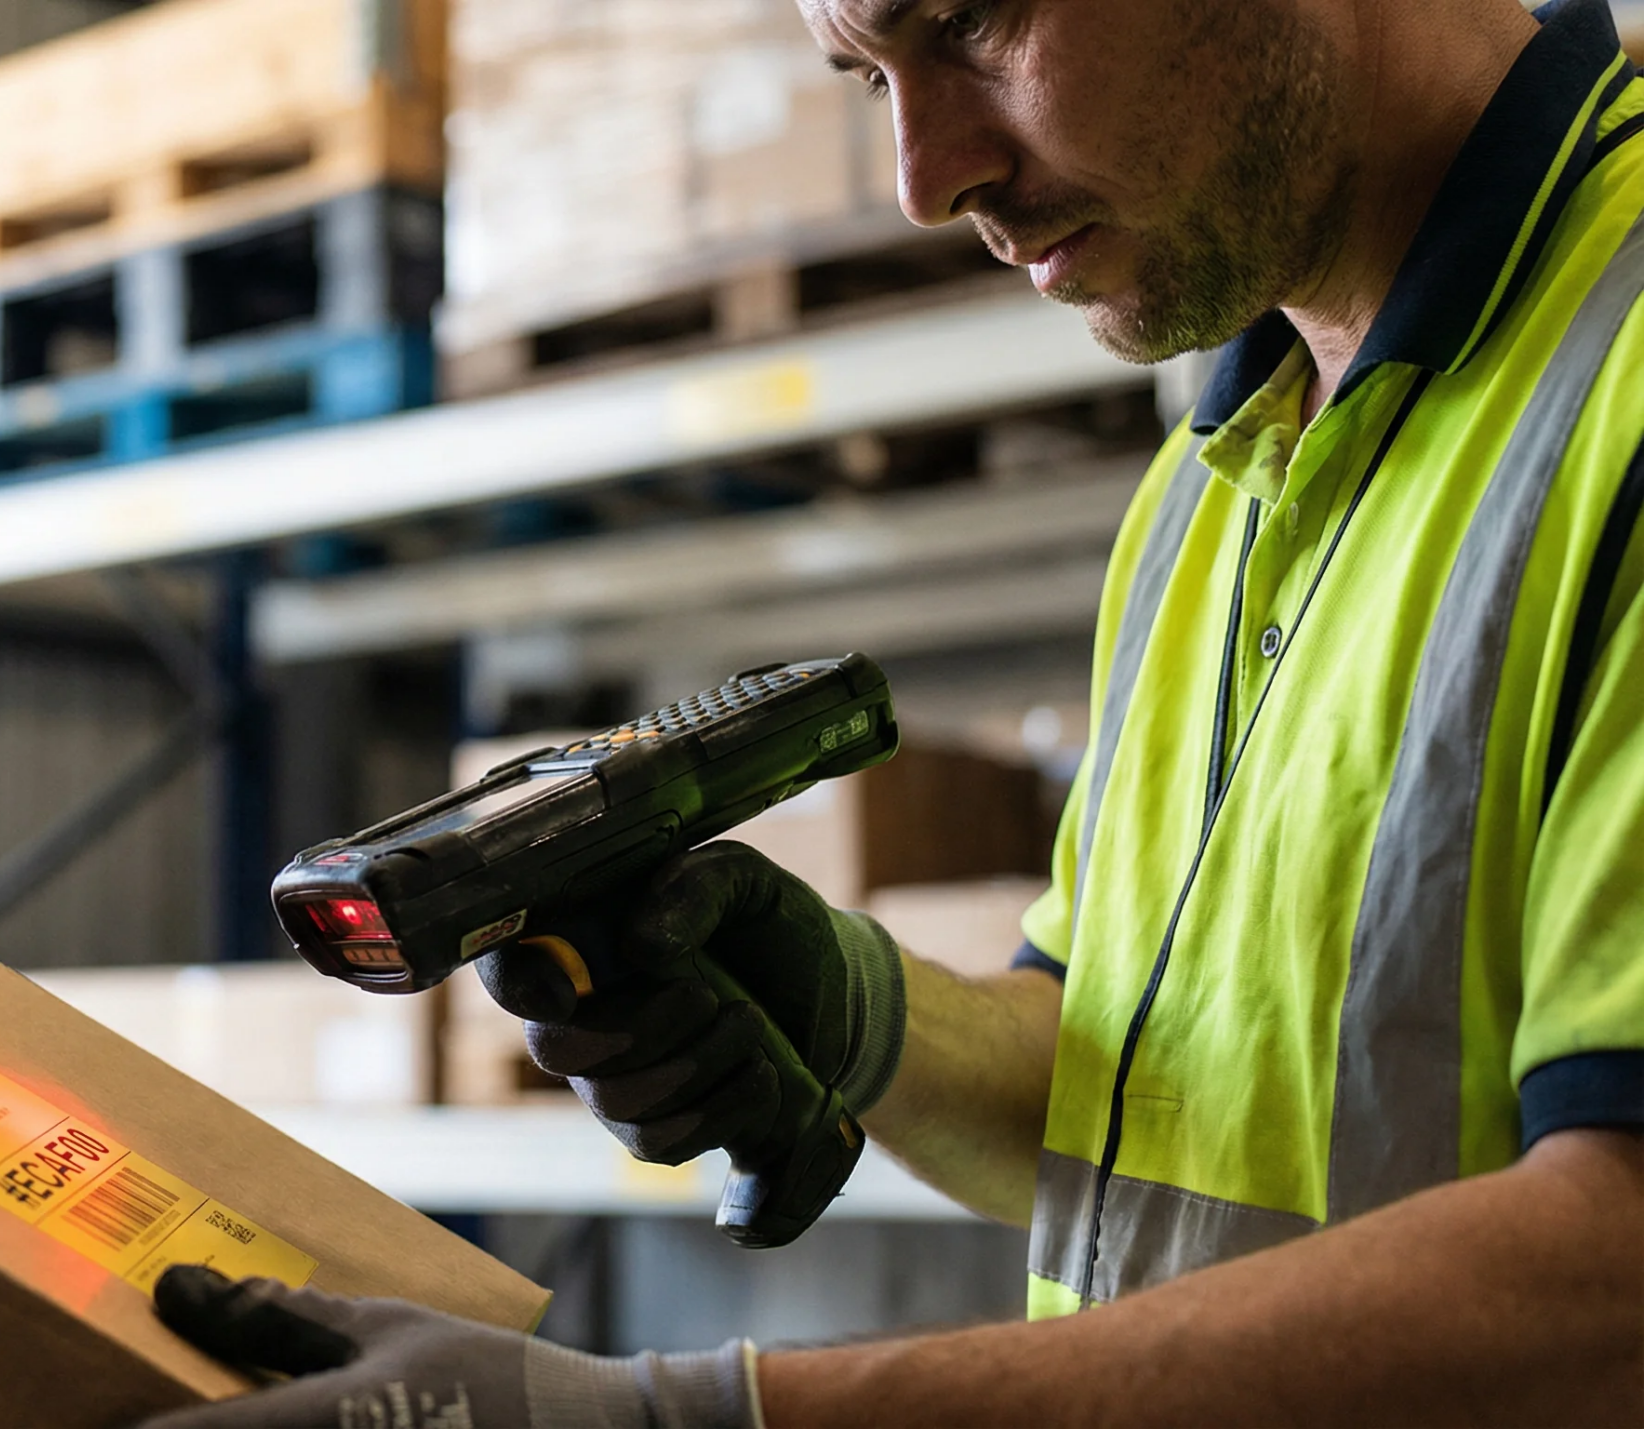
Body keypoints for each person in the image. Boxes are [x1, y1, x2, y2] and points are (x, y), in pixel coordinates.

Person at [143, 0, 1644, 1423]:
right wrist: (859, 1014)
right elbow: (1140, 1104)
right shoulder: (1209, 489)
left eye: (972, 21)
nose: (928, 181)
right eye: (868, 77)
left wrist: (686, 1420)